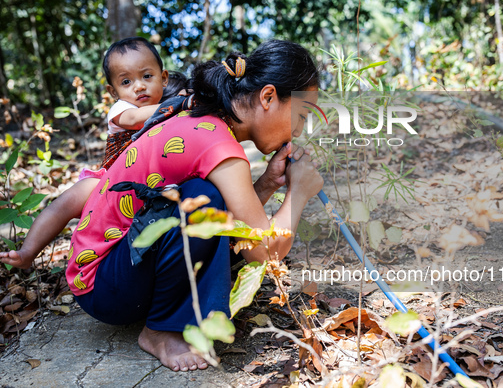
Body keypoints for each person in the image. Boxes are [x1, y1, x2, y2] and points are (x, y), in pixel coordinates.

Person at [64, 39, 323, 372]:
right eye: (300, 115)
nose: (299, 129)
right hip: (104, 287)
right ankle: (160, 330)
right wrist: (298, 192)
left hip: (113, 274)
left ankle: (171, 312)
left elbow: (237, 225)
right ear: (268, 97)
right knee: (204, 198)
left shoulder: (205, 122)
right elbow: (263, 252)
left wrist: (269, 183)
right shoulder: (218, 145)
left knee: (206, 197)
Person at [0, 37, 179, 270]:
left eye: (147, 76)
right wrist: (181, 103)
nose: (139, 86)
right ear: (113, 91)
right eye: (126, 81)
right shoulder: (123, 109)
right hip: (111, 179)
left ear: (163, 78)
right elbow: (135, 121)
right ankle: (28, 252)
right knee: (65, 203)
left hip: (154, 181)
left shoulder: (171, 105)